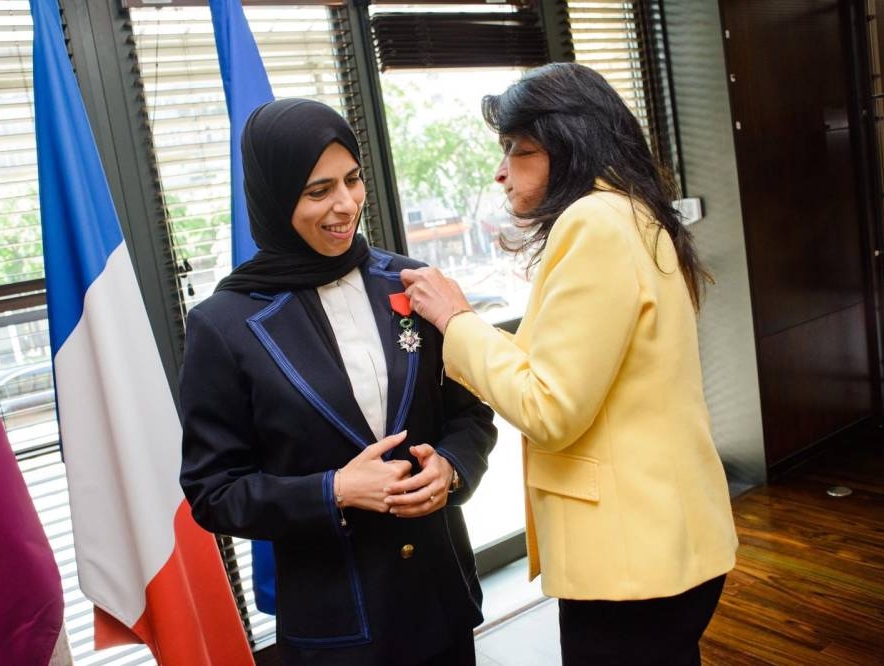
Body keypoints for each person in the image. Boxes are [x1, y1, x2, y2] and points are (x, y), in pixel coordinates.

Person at [396, 62, 739, 665]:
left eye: (516, 151)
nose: (500, 173)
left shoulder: (592, 223)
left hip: (631, 558)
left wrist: (455, 321)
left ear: (565, 146)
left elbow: (549, 408)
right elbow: (566, 368)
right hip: (668, 537)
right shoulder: (633, 211)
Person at [178, 98, 497, 666]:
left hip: (440, 599)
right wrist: (335, 491)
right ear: (275, 196)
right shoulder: (225, 325)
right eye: (318, 191)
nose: (345, 205)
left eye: (352, 180)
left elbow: (470, 415)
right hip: (338, 629)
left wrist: (451, 468)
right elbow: (214, 493)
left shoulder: (412, 282)